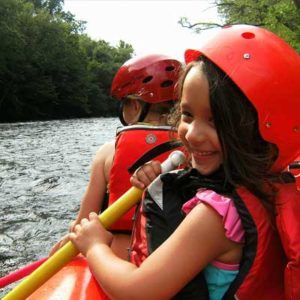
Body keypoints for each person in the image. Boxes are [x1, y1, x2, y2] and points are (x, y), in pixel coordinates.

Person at [68, 25, 300, 299]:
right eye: (187, 115)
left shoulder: (215, 217)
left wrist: (96, 246)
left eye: (216, 121)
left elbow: (137, 292)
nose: (192, 133)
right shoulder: (270, 186)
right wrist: (158, 182)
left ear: (261, 131)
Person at [50, 54, 182, 259]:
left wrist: (73, 231)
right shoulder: (196, 150)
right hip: (175, 263)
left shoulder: (107, 152)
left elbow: (83, 223)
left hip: (117, 263)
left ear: (135, 106)